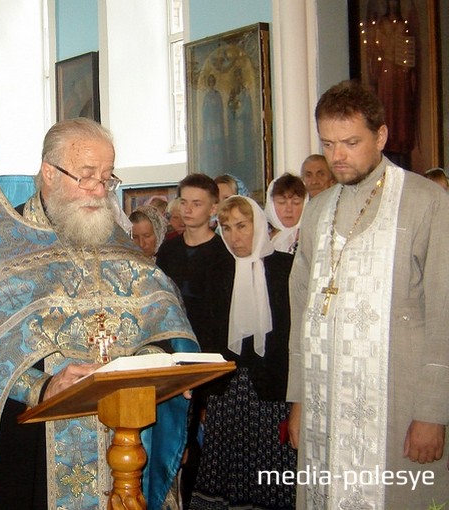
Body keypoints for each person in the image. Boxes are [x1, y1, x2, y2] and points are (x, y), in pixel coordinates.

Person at [0, 118, 198, 510]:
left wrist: (159, 364)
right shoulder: (2, 245)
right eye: (86, 177)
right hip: (32, 440)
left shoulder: (116, 241)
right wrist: (39, 388)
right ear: (49, 173)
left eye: (106, 178)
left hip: (121, 434)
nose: (99, 191)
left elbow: (162, 316)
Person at [287, 80, 449, 508]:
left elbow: (444, 312)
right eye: (328, 143)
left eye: (351, 142)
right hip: (324, 403)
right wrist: (299, 398)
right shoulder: (318, 209)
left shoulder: (426, 202)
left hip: (398, 402)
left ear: (380, 137)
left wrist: (434, 412)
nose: (337, 156)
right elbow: (302, 310)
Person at [189, 196, 296, 509]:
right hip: (228, 390)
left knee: (271, 469)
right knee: (228, 470)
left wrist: (296, 399)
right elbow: (207, 339)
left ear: (258, 225)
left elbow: (292, 339)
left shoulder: (283, 270)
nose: (234, 236)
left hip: (273, 391)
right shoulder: (216, 271)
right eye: (226, 227)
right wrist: (205, 399)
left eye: (241, 226)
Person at [156, 174, 232, 340]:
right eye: (184, 202)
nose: (188, 210)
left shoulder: (224, 253)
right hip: (174, 339)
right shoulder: (168, 250)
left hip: (213, 343)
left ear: (213, 209)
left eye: (196, 204)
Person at [263, 173, 307, 254]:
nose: (289, 209)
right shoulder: (260, 239)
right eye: (282, 202)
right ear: (271, 205)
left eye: (296, 202)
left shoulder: (311, 239)